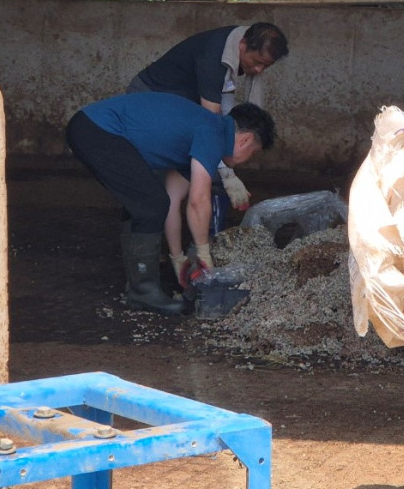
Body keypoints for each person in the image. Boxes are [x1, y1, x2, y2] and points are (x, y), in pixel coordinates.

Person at [65, 92, 276, 315]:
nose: (248, 160)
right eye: (252, 153)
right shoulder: (213, 132)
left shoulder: (203, 134)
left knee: (148, 202)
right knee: (149, 204)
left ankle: (139, 287)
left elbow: (172, 202)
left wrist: (178, 258)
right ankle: (143, 292)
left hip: (90, 127)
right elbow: (198, 200)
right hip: (98, 130)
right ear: (246, 140)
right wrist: (204, 254)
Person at [128, 22, 288, 214]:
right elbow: (213, 126)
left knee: (201, 174)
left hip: (179, 107)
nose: (259, 70)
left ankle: (189, 234)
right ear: (244, 45)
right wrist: (227, 174)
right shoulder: (214, 57)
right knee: (148, 181)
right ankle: (143, 236)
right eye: (257, 62)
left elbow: (224, 110)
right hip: (149, 99)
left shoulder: (233, 51)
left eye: (266, 66)